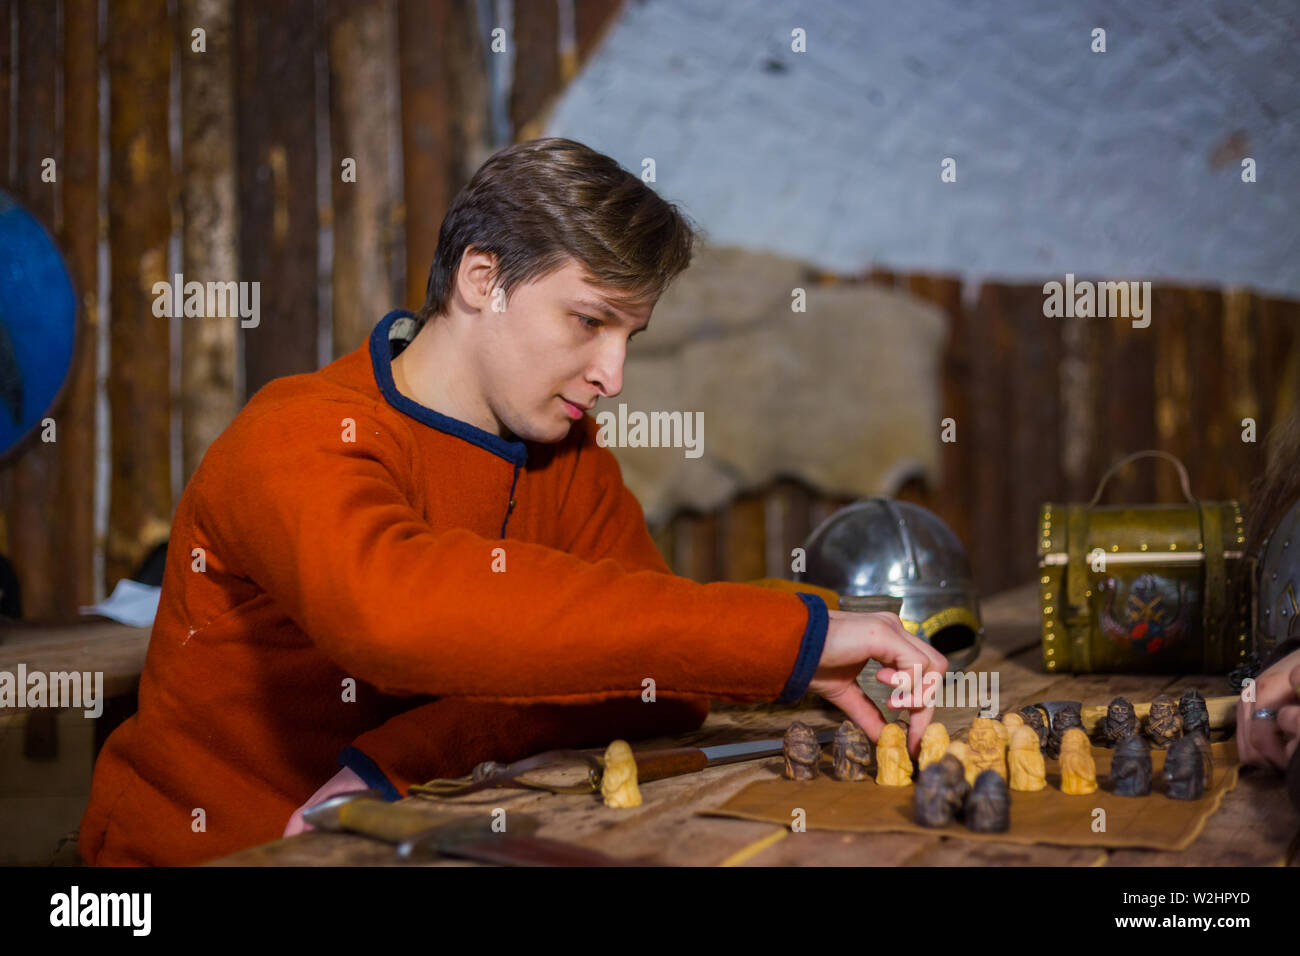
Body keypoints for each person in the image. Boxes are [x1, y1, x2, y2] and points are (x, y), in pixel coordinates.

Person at [79, 138, 945, 865]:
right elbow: (396, 617)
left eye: (629, 337)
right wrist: (788, 638)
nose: (613, 375)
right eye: (588, 321)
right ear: (481, 279)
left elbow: (653, 677)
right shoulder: (295, 435)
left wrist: (400, 758)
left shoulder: (567, 459)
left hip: (406, 831)